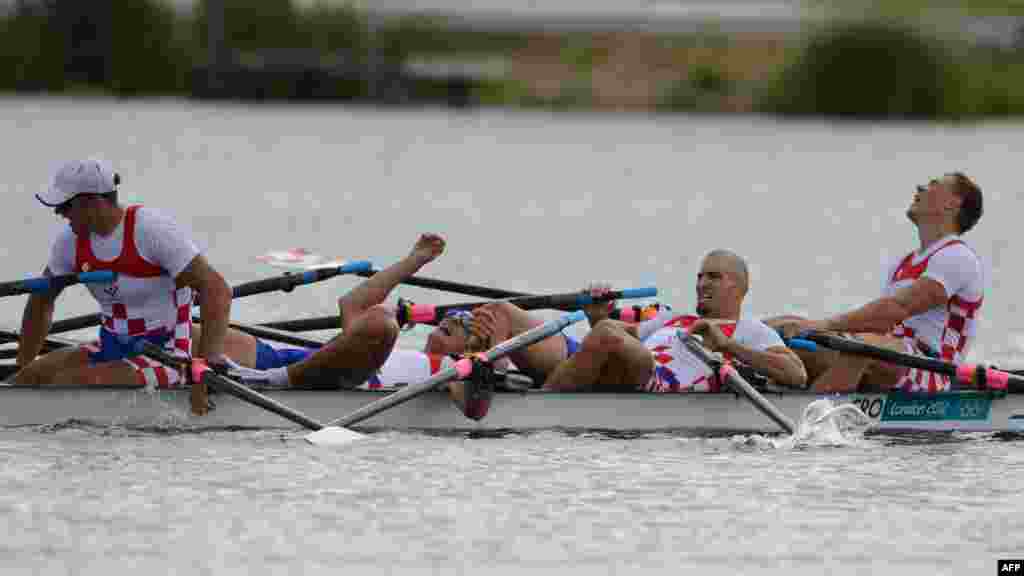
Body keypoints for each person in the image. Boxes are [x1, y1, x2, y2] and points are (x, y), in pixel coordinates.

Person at [211, 234, 581, 399]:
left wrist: (491, 350)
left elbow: (476, 406)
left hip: (342, 382)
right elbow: (350, 304)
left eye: (465, 323)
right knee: (204, 332)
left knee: (379, 324)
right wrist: (413, 261)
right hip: (302, 363)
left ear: (473, 343)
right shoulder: (413, 356)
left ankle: (271, 384)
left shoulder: (472, 367)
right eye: (451, 317)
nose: (451, 319)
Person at [14, 158, 232, 388]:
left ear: (92, 202)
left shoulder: (151, 230)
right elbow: (40, 300)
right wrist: (23, 370)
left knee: (71, 381)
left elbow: (217, 290)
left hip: (168, 356)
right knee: (30, 377)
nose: (58, 213)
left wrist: (207, 363)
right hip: (112, 348)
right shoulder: (69, 242)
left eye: (65, 206)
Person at [771, 172, 984, 393]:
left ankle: (807, 420)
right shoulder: (904, 263)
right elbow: (880, 323)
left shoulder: (958, 257)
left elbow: (894, 310)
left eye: (932, 185)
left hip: (934, 371)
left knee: (861, 348)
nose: (920, 188)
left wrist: (822, 326)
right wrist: (807, 330)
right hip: (890, 356)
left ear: (953, 203)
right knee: (781, 328)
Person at [542, 249, 807, 392]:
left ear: (740, 288)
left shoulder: (752, 330)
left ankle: (541, 405)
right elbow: (615, 335)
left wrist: (727, 346)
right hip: (634, 374)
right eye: (700, 276)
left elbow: (797, 375)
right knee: (606, 328)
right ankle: (545, 396)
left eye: (713, 277)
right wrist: (597, 313)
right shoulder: (677, 317)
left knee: (610, 331)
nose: (702, 284)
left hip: (664, 387)